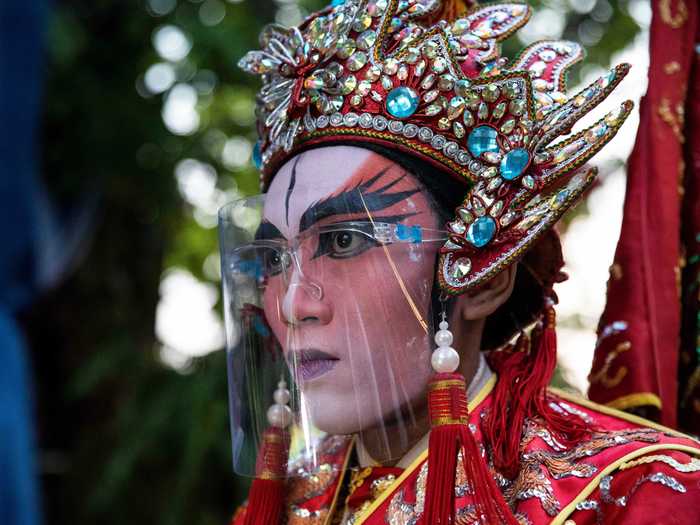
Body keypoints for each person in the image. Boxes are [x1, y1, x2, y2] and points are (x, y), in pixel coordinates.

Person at [219, 1, 700, 523]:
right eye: (273, 257)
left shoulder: (638, 494)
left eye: (342, 243)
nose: (292, 303)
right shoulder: (291, 500)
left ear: (483, 279)